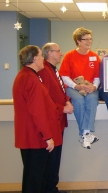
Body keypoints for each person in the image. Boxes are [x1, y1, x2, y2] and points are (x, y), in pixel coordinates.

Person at [13, 45, 62, 193]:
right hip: (35, 138)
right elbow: (37, 112)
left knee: (35, 177)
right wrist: (47, 136)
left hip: (32, 136)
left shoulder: (25, 76)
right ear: (34, 59)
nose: (43, 59)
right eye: (41, 55)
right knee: (34, 179)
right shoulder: (30, 79)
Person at [39, 43, 74, 193]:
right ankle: (49, 188)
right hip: (51, 121)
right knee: (50, 160)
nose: (61, 53)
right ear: (50, 53)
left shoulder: (53, 69)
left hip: (58, 121)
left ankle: (52, 187)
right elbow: (45, 99)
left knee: (55, 159)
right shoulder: (43, 71)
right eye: (58, 51)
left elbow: (59, 90)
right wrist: (63, 108)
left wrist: (66, 99)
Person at [60, 27, 100, 149]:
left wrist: (94, 87)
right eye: (86, 39)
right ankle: (86, 133)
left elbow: (97, 77)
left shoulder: (94, 56)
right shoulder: (69, 56)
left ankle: (85, 133)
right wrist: (76, 86)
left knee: (92, 100)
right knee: (79, 101)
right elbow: (64, 76)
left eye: (90, 39)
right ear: (78, 41)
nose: (89, 42)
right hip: (73, 87)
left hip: (90, 87)